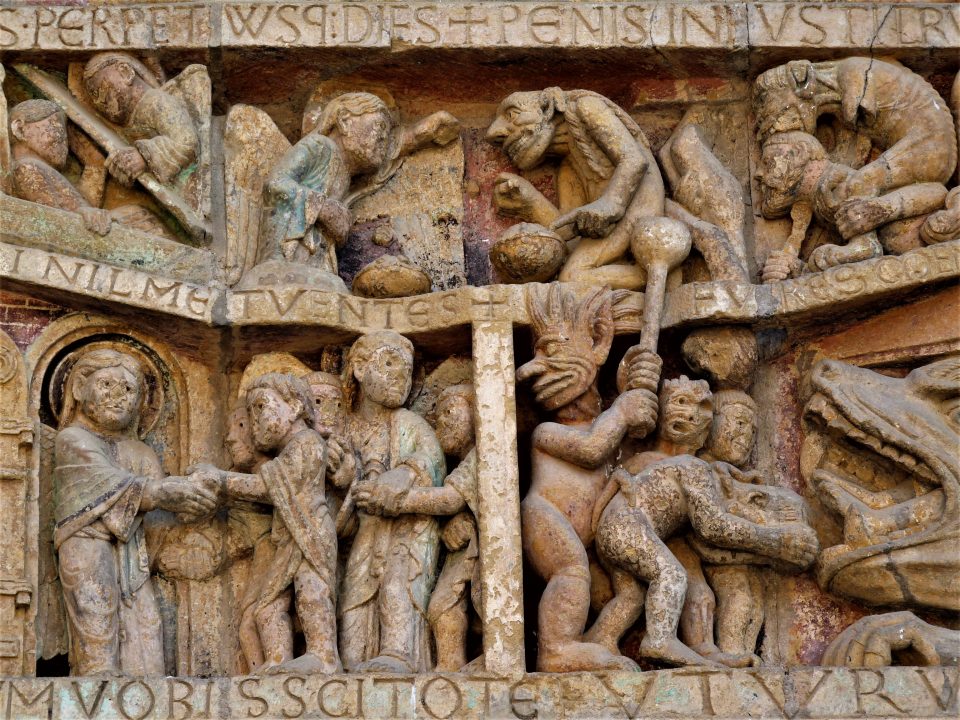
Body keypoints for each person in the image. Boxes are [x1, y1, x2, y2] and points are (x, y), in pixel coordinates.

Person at [53, 348, 218, 675]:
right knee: (97, 608)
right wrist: (164, 493)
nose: (118, 396)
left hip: (135, 558)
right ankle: (97, 683)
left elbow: (157, 524)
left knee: (147, 626)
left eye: (128, 389)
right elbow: (107, 484)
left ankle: (143, 690)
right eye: (106, 385)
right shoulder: (72, 439)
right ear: (79, 388)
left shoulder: (141, 453)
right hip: (87, 547)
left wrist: (192, 509)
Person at [338, 330, 446, 673]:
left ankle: (398, 653)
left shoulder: (409, 423)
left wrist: (403, 474)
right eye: (388, 363)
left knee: (397, 585)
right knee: (353, 597)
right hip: (363, 532)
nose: (400, 376)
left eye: (407, 370)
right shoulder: (345, 428)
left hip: (406, 529)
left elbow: (431, 459)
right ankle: (351, 663)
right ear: (359, 368)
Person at [355, 383, 482, 672]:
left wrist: (396, 500)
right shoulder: (461, 464)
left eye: (450, 411)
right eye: (437, 416)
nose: (441, 422)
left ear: (479, 414)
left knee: (471, 602)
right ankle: (449, 667)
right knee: (441, 607)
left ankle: (478, 661)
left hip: (484, 556)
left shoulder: (482, 455)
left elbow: (449, 500)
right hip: (464, 553)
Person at [8, 99, 171, 237]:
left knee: (137, 214)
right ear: (20, 129)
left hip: (90, 230)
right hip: (78, 235)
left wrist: (94, 163)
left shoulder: (39, 168)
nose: (63, 141)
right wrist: (82, 214)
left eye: (65, 135)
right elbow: (54, 220)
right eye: (55, 127)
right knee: (138, 216)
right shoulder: (27, 167)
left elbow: (83, 203)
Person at [83, 52, 198, 187]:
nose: (99, 101)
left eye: (102, 89)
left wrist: (144, 157)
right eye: (94, 96)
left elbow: (186, 141)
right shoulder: (130, 120)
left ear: (126, 72)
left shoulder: (156, 102)